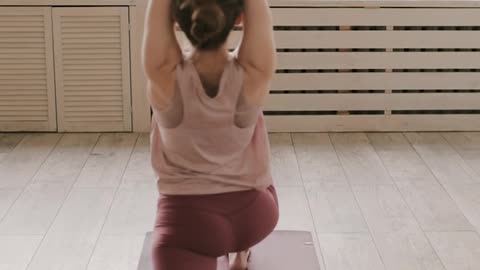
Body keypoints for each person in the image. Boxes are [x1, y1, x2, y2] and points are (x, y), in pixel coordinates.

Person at [141, 0, 278, 268]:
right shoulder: (254, 71)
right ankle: (240, 252)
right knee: (258, 168)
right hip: (254, 216)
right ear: (238, 18)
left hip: (186, 228)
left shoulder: (163, 74)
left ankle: (229, 250)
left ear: (177, 19)